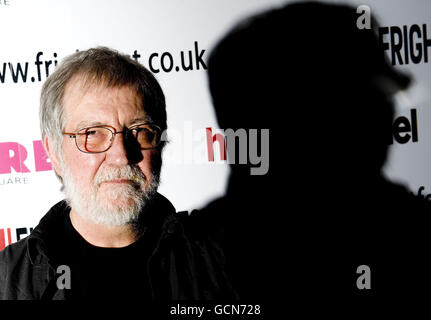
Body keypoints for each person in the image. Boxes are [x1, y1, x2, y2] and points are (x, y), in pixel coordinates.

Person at [200, 1, 431, 306]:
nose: (384, 117)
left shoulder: (185, 262)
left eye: (383, 97)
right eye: (362, 99)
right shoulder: (177, 269)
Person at [0, 47, 236, 300]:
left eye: (140, 130)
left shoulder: (222, 258)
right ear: (54, 151)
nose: (121, 155)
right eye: (92, 133)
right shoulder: (6, 279)